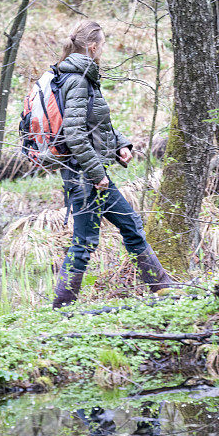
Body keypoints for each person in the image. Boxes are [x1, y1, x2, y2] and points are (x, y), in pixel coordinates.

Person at [52, 20, 173, 309]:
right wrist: (96, 174)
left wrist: (120, 144)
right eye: (102, 45)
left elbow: (97, 122)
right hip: (84, 175)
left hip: (91, 172)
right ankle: (60, 309)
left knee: (130, 224)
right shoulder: (78, 79)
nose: (103, 50)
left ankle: (164, 292)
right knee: (84, 241)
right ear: (93, 47)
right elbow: (74, 133)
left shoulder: (82, 75)